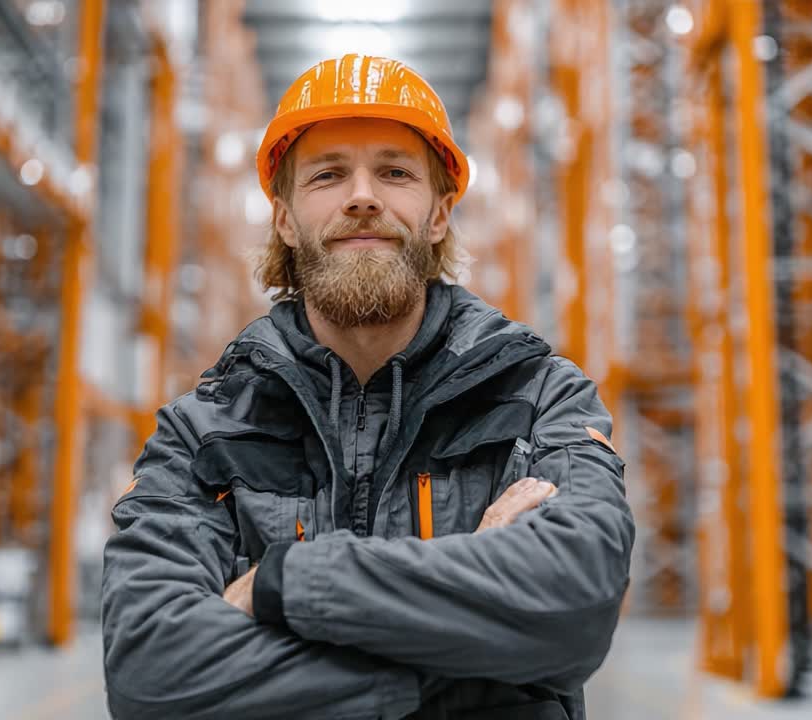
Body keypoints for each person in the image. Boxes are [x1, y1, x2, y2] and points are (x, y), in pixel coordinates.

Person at [101, 54, 634, 720]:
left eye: (394, 172)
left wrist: (284, 582)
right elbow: (151, 675)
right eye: (328, 174)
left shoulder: (541, 400)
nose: (363, 195)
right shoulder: (203, 432)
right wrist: (482, 665)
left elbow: (573, 611)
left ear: (439, 214)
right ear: (286, 220)